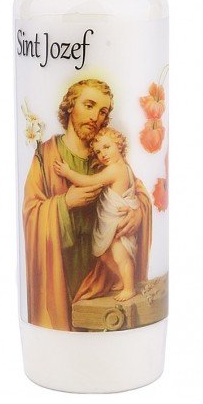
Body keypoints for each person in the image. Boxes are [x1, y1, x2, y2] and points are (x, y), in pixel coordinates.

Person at [22, 78, 152, 330]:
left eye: (103, 111)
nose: (95, 117)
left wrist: (137, 215)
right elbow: (30, 213)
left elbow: (138, 195)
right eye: (89, 105)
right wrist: (64, 204)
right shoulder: (46, 155)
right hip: (61, 274)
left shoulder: (106, 157)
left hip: (101, 281)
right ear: (70, 106)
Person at [54, 127, 139, 301]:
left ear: (119, 145)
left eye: (107, 147)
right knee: (105, 255)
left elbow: (90, 181)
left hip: (117, 223)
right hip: (112, 221)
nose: (102, 154)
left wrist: (68, 173)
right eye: (98, 152)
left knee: (120, 256)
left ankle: (129, 288)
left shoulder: (115, 170)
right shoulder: (123, 167)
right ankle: (122, 280)